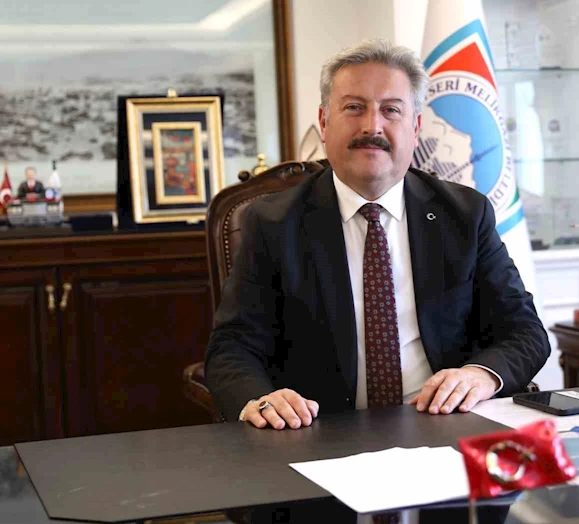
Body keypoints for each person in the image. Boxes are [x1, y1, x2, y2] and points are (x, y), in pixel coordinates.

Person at [205, 39, 550, 522]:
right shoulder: (273, 223)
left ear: (415, 127)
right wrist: (260, 399)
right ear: (324, 122)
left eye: (391, 110)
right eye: (354, 108)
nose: (373, 126)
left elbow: (525, 331)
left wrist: (479, 374)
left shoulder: (464, 214)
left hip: (444, 442)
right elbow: (232, 347)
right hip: (322, 447)